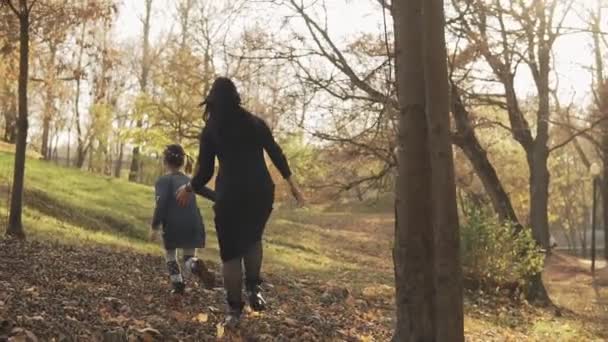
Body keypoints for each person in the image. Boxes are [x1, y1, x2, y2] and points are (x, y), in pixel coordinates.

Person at [176, 77, 304, 326]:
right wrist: (293, 184)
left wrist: (189, 186)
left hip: (230, 197)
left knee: (231, 255)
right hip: (260, 193)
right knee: (253, 239)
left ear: (212, 101)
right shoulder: (256, 123)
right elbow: (276, 153)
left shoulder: (212, 130)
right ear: (236, 98)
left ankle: (234, 310)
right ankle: (254, 289)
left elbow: (205, 174)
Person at [151, 144, 217, 295]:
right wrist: (223, 199)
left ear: (164, 162)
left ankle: (178, 284)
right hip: (193, 224)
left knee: (170, 255)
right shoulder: (191, 181)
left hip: (173, 226)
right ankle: (195, 264)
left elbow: (161, 205)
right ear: (183, 162)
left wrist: (155, 227)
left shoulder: (162, 181)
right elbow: (211, 194)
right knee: (188, 257)